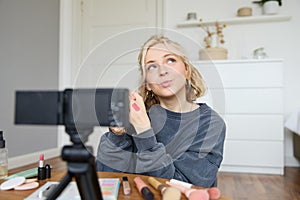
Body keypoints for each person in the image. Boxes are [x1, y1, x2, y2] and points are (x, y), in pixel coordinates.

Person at [96, 35, 226, 188]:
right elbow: (107, 175)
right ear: (148, 84)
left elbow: (184, 187)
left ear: (187, 71)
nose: (162, 71)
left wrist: (144, 132)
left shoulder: (211, 124)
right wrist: (117, 135)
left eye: (170, 60)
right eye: (152, 66)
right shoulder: (137, 116)